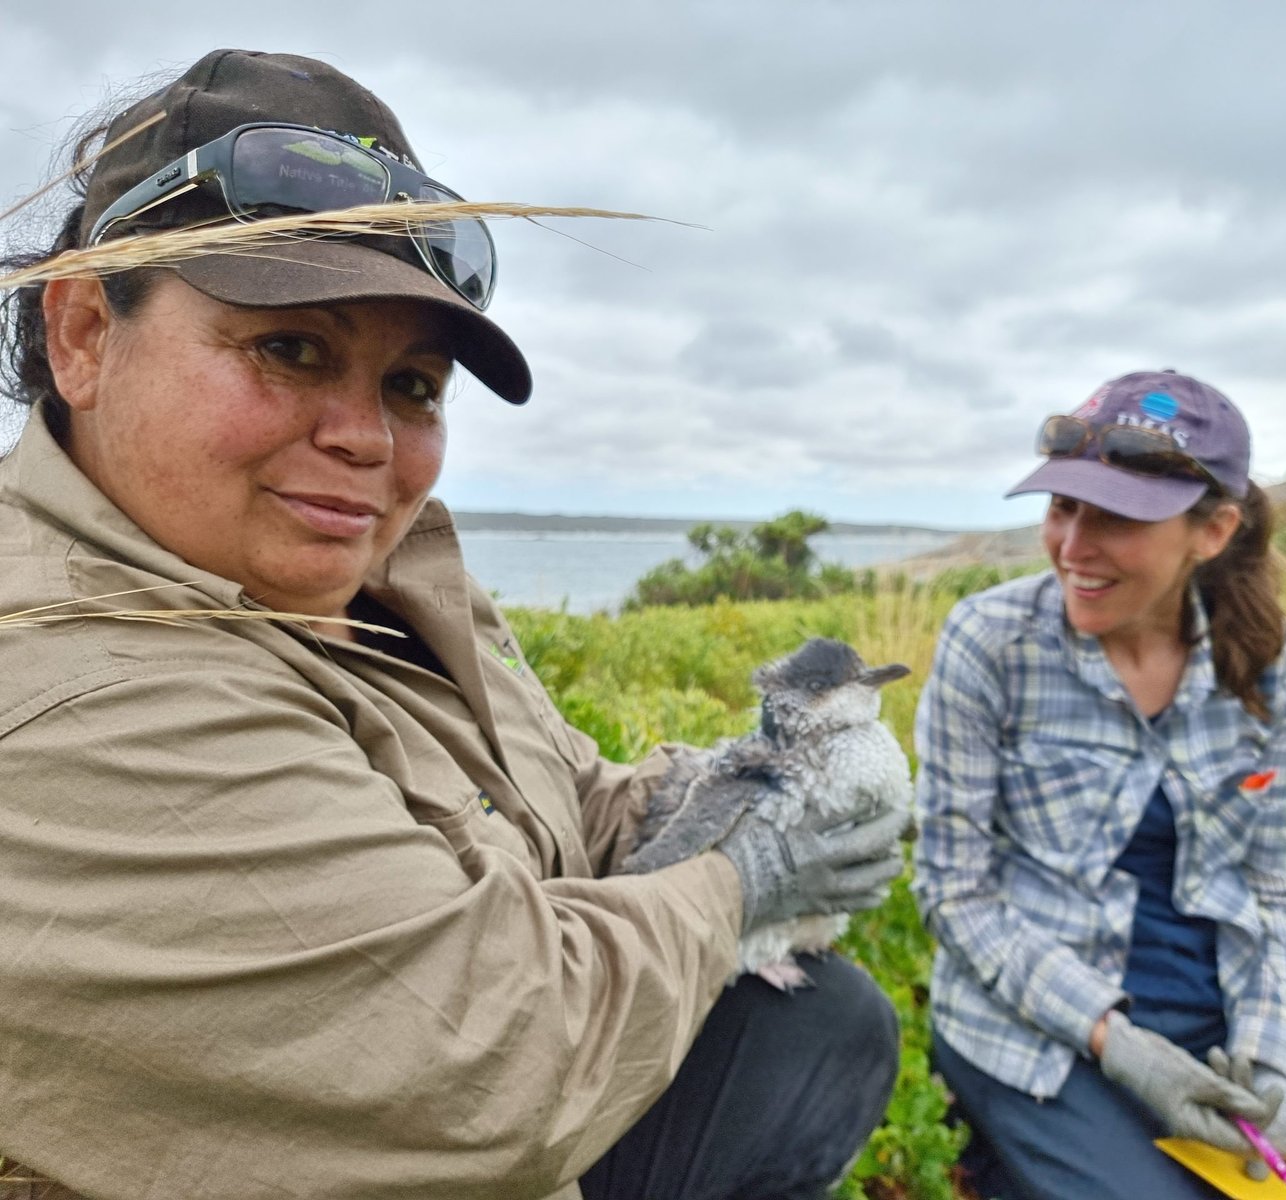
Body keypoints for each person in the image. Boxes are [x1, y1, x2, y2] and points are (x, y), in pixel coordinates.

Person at [0, 49, 904, 1200]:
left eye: (412, 383)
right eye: (290, 348)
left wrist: (711, 794)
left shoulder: (354, 564)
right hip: (461, 1115)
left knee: (818, 1027)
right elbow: (489, 1057)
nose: (368, 439)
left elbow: (562, 797)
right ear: (84, 334)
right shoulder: (72, 684)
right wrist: (741, 884)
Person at [912, 371, 1286, 1199]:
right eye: (1063, 507)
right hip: (1046, 1029)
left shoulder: (1273, 665)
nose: (1073, 546)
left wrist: (1278, 1062)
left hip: (1219, 1023)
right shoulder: (991, 643)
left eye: (1116, 517)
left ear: (1211, 531)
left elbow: (1269, 892)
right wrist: (1120, 1046)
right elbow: (955, 892)